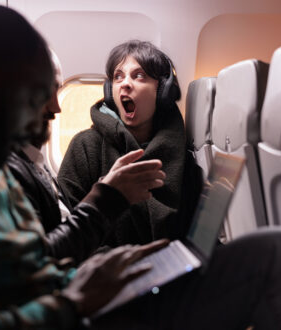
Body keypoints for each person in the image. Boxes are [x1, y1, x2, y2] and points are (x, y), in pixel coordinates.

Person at [0, 5, 281, 330]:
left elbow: (27, 267)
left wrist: (107, 269)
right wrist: (75, 297)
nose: (54, 110)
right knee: (277, 254)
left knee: (271, 251)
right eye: (39, 94)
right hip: (81, 315)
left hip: (90, 300)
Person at [6, 51, 162, 263]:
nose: (56, 107)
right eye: (44, 91)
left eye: (139, 76)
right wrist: (106, 197)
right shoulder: (3, 171)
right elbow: (36, 264)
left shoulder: (32, 163)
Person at [58, 41, 203, 247]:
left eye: (139, 75)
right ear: (110, 91)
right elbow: (67, 228)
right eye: (118, 76)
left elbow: (193, 232)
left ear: (162, 91)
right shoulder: (86, 146)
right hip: (106, 272)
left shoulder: (181, 154)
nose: (125, 83)